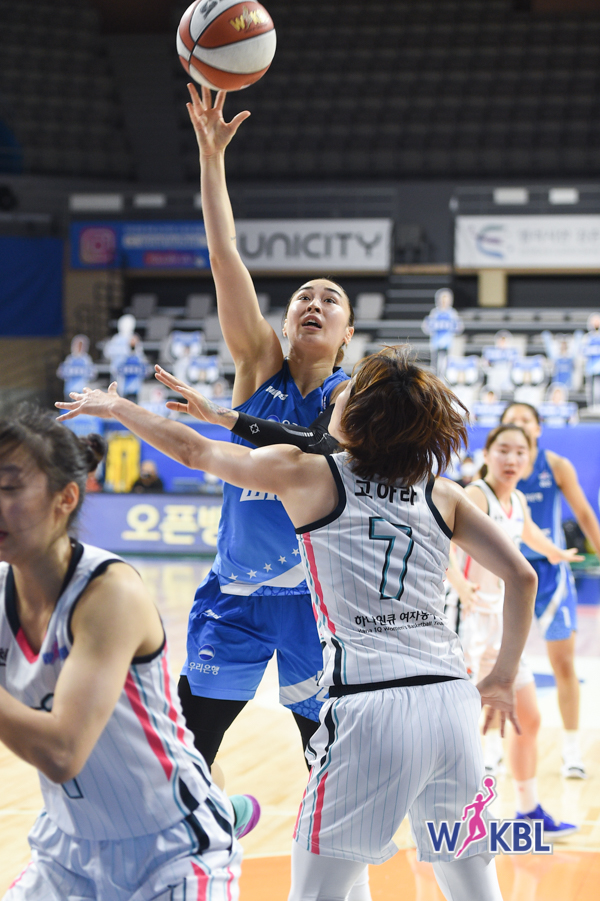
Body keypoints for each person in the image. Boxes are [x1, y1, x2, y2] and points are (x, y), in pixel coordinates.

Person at [57, 346, 538, 901]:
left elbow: (192, 450)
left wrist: (117, 407)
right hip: (452, 704)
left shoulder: (312, 475)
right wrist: (503, 676)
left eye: (347, 393)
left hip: (370, 707)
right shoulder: (443, 492)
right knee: (474, 884)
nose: (336, 397)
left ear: (358, 417)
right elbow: (522, 577)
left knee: (315, 891)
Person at [164, 84, 354, 771]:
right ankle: (209, 827)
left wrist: (228, 420)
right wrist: (211, 159)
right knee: (189, 752)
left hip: (313, 601)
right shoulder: (257, 364)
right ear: (287, 318)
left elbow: (325, 448)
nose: (314, 302)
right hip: (234, 597)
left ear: (347, 332)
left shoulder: (352, 393)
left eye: (331, 299)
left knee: (324, 763)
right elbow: (225, 258)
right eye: (304, 295)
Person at [0, 407, 242, 901]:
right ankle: (223, 798)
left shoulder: (110, 593)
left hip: (173, 849)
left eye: (9, 488)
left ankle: (216, 803)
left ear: (66, 498)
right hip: (66, 851)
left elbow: (62, 754)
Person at [447, 424, 580, 838]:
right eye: (503, 450)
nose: (511, 459)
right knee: (462, 724)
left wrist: (553, 552)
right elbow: (443, 543)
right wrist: (459, 583)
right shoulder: (475, 495)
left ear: (530, 459)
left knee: (528, 717)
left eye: (520, 452)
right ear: (487, 454)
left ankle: (527, 809)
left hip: (503, 625)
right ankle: (450, 813)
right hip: (468, 623)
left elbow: (528, 532)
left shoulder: (517, 499)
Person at [501, 401, 600, 778]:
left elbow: (585, 514)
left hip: (551, 575)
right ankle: (494, 750)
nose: (519, 425)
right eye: (511, 420)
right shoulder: (493, 469)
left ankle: (571, 750)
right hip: (509, 573)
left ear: (538, 428)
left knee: (563, 663)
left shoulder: (555, 465)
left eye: (525, 420)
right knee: (501, 664)